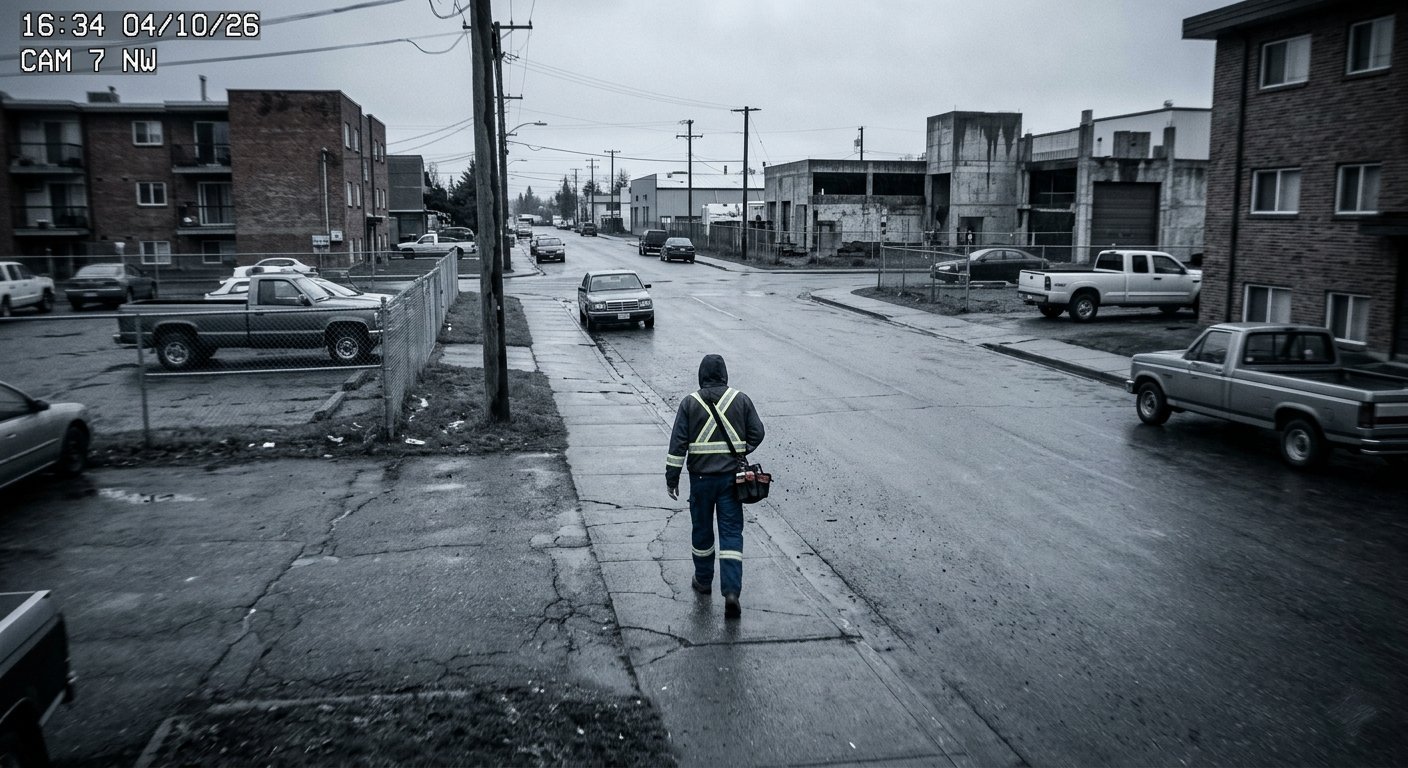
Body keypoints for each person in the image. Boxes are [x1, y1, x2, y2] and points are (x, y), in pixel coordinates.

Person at [665, 354, 765, 619]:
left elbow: (677, 445)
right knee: (731, 534)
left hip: (700, 481)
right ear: (724, 375)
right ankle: (731, 592)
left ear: (701, 376)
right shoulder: (740, 399)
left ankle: (703, 581)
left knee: (702, 532)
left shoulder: (690, 403)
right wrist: (742, 450)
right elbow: (758, 432)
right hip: (732, 481)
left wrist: (671, 478)